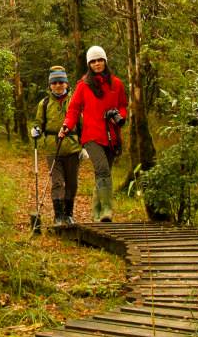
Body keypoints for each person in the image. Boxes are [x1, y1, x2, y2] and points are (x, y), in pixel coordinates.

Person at [58, 46, 127, 223]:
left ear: (105, 61)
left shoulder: (116, 83)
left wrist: (120, 117)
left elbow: (123, 106)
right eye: (93, 61)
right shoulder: (84, 85)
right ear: (89, 64)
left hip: (112, 137)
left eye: (100, 60)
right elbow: (73, 109)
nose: (97, 64)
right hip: (91, 137)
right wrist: (66, 126)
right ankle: (106, 210)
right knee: (103, 169)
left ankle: (97, 214)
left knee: (103, 173)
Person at [31, 66, 81, 227]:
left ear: (66, 83)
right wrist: (36, 130)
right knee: (57, 182)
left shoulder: (75, 100)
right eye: (55, 82)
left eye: (61, 82)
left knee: (72, 183)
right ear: (50, 85)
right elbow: (39, 122)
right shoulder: (44, 103)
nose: (58, 85)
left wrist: (85, 146)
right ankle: (58, 216)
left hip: (73, 148)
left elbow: (83, 124)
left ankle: (69, 214)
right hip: (53, 148)